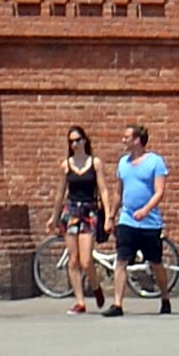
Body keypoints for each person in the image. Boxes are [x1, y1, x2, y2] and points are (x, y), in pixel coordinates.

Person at [113, 125, 172, 314]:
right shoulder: (123, 163)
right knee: (121, 261)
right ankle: (117, 304)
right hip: (127, 220)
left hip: (149, 223)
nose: (123, 141)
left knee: (155, 262)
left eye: (126, 137)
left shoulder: (155, 162)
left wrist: (146, 210)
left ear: (137, 139)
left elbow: (159, 191)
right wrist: (111, 216)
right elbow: (118, 193)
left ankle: (165, 297)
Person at [56, 125, 109, 317]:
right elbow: (60, 192)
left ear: (85, 141)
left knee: (86, 260)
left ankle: (95, 286)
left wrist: (108, 215)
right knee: (73, 259)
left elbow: (103, 189)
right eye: (71, 141)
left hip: (89, 210)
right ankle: (79, 302)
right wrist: (54, 217)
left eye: (78, 140)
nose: (75, 144)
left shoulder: (95, 163)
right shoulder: (66, 165)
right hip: (71, 210)